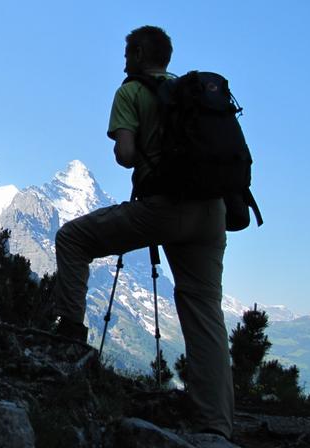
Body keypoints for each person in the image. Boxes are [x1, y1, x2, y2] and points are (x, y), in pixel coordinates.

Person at [53, 26, 234, 439]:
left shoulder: (131, 91)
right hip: (213, 212)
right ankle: (216, 425)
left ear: (137, 52)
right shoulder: (194, 93)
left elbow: (125, 155)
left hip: (165, 207)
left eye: (125, 52)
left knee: (73, 239)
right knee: (204, 309)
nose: (122, 60)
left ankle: (65, 343)